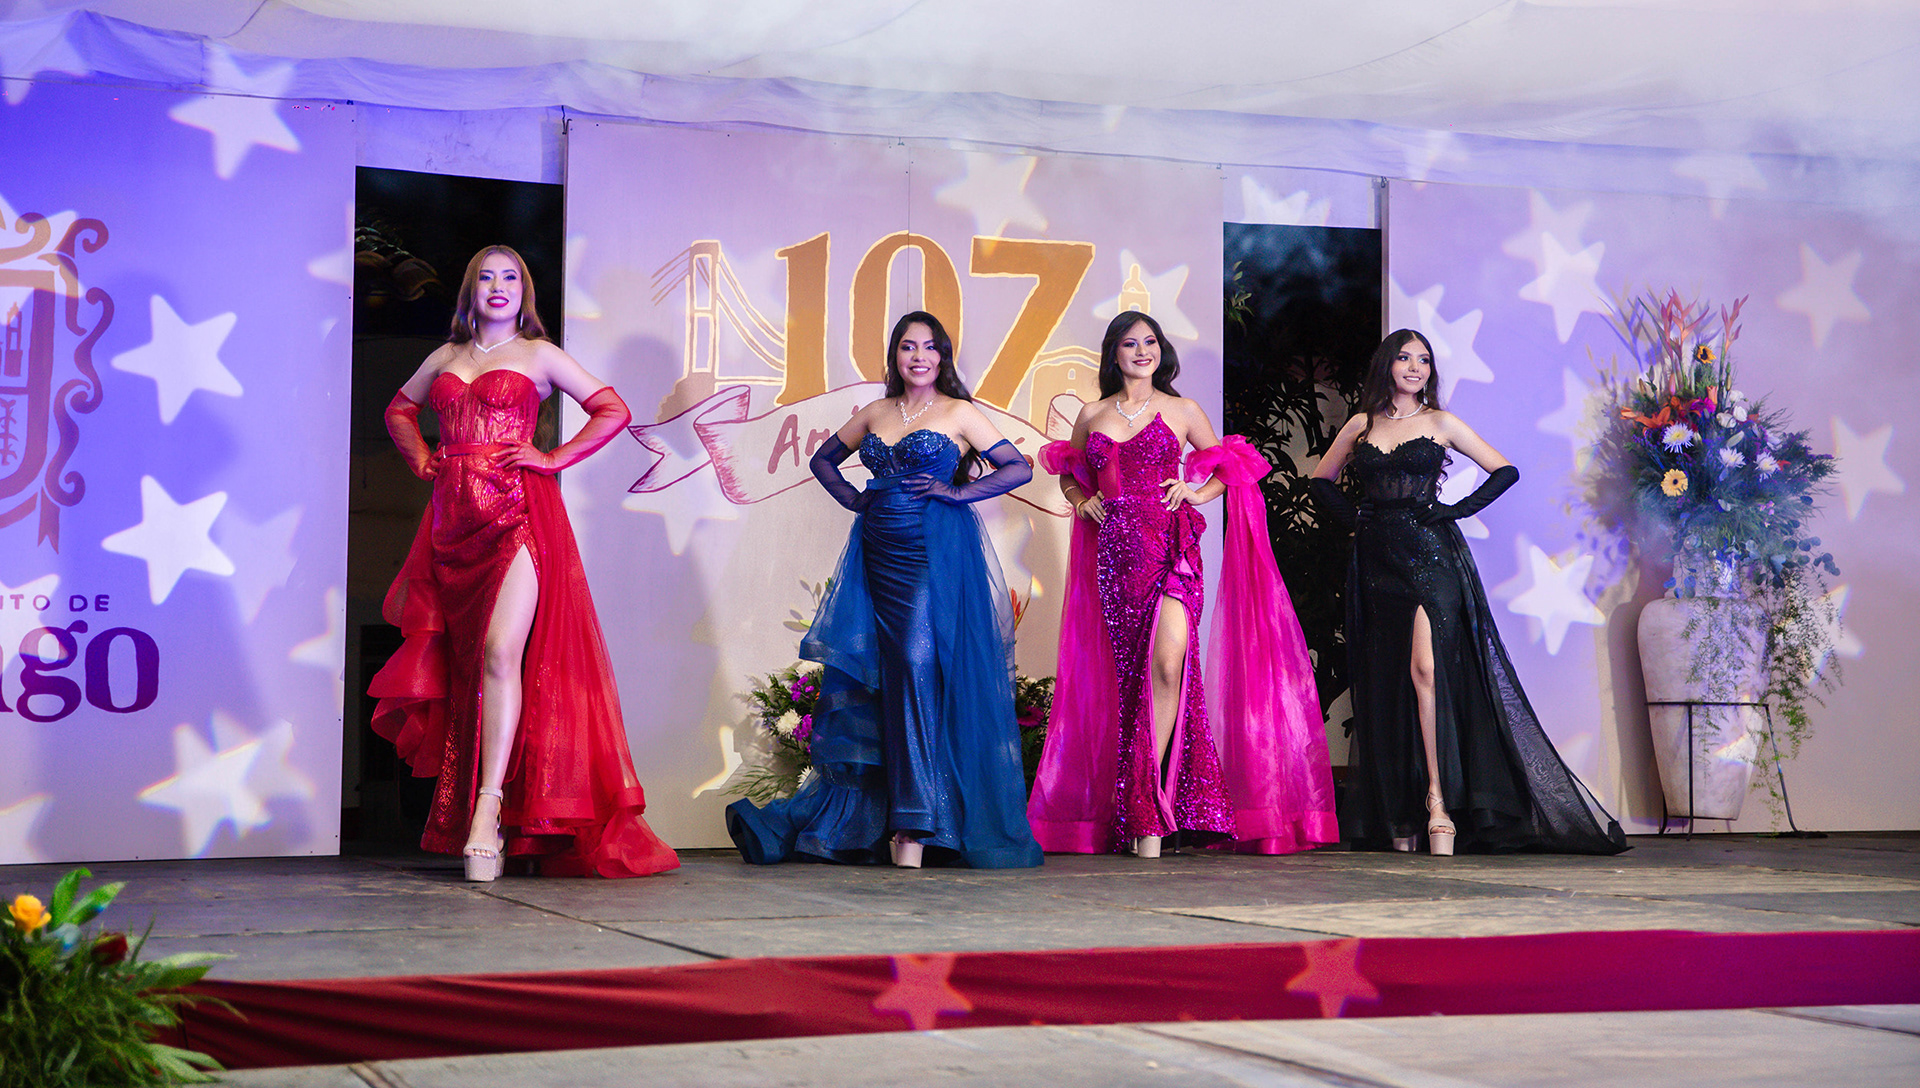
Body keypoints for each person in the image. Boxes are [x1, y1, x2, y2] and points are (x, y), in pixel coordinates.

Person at [369, 245, 678, 880]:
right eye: (486, 276)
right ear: (470, 290)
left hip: (519, 515)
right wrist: (425, 458)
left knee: (499, 653)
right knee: (467, 668)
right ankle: (490, 810)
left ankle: (487, 812)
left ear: (523, 291)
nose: (498, 286)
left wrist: (552, 458)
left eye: (510, 277)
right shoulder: (445, 358)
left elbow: (612, 410)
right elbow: (398, 410)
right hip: (453, 527)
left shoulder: (539, 354)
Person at [725, 312, 1043, 869]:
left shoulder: (959, 412)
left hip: (930, 550)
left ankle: (915, 826)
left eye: (929, 347)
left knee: (916, 667)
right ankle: (885, 821)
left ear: (943, 356)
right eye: (907, 347)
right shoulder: (876, 412)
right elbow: (823, 460)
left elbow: (1018, 468)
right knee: (880, 677)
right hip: (876, 550)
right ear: (895, 355)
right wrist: (854, 499)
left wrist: (956, 492)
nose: (919, 356)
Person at [1027, 311, 1337, 857]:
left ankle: (1145, 804)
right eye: (1130, 343)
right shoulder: (1093, 414)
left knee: (1169, 665)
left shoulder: (1182, 409)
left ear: (1161, 350)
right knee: (1130, 680)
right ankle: (1139, 809)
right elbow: (1070, 472)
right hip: (1117, 560)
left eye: (1150, 342)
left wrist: (1195, 494)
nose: (1141, 351)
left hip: (1173, 551)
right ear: (1114, 352)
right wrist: (1082, 500)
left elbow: (1232, 466)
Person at [1310, 329, 1626, 855]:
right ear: (1387, 364)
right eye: (1405, 358)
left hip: (1431, 559)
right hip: (1377, 565)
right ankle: (1401, 812)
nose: (1415, 367)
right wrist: (1356, 522)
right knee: (1387, 682)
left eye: (1424, 360)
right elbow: (1321, 481)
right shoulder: (1362, 424)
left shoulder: (1442, 422)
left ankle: (1439, 804)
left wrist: (1453, 511)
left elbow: (1505, 470)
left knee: (1426, 671)